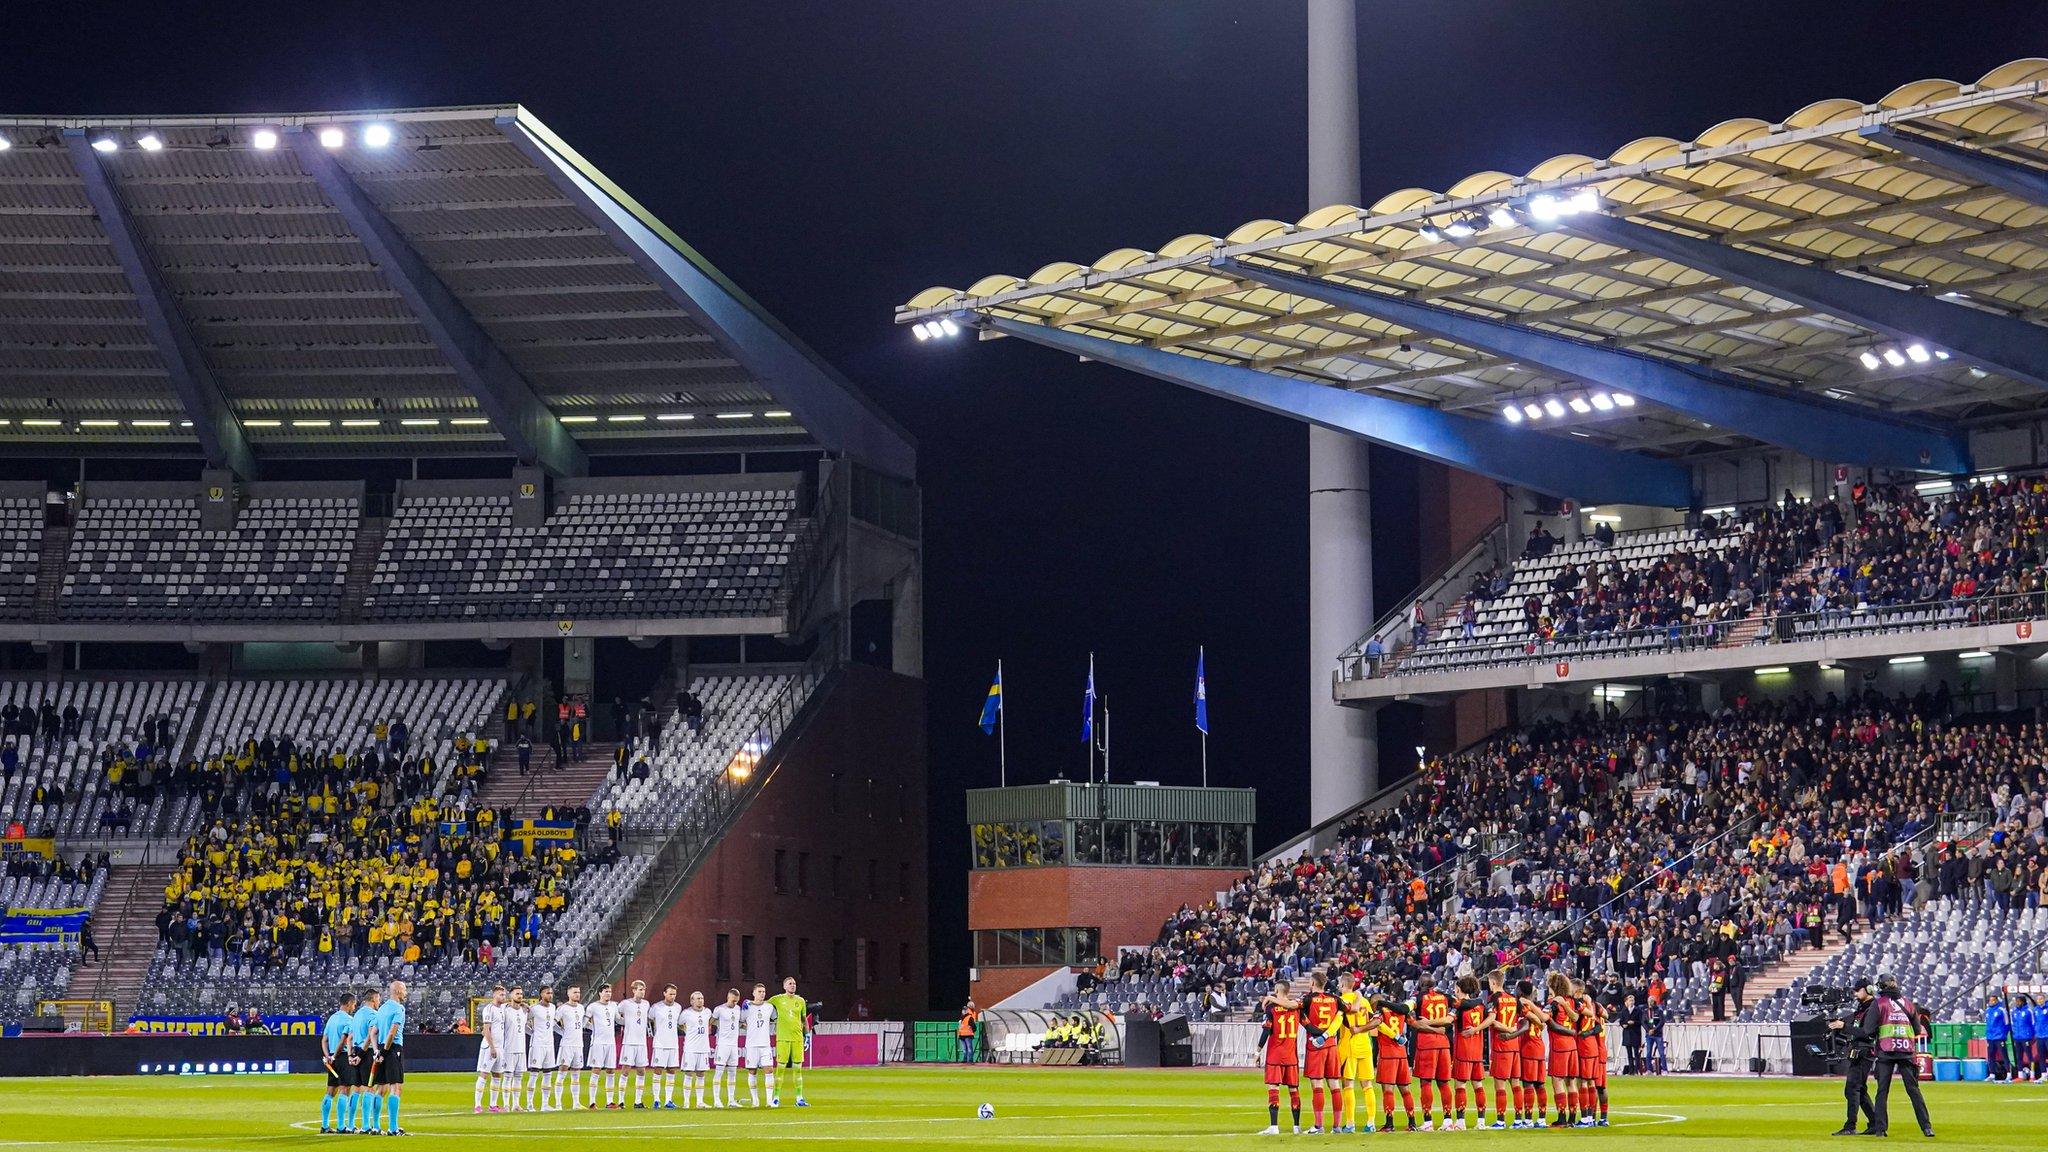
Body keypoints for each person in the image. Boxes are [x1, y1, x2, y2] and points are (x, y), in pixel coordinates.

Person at [1864, 975, 1934, 1138]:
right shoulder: (1908, 1004)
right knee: (1914, 1091)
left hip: (1885, 1052)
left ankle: (1881, 1129)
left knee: (1882, 1092)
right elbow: (1917, 1030)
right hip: (1906, 1052)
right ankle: (1926, 1127)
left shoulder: (1879, 1004)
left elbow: (1868, 1030)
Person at [1829, 978, 1878, 1136]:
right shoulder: (1863, 1007)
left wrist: (1844, 1026)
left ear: (1868, 990)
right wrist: (1841, 1024)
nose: (1856, 994)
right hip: (1859, 1050)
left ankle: (1850, 1126)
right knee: (1860, 1089)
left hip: (1864, 1051)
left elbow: (1866, 1032)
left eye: (1858, 990)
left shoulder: (1872, 1008)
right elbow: (1856, 1026)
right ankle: (1875, 1123)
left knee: (1852, 1088)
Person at [1299, 969, 1345, 1133]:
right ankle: (1337, 1126)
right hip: (1331, 1045)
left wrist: (1317, 1033)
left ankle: (1318, 1126)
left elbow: (1301, 1017)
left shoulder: (1307, 999)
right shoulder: (1335, 999)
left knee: (1317, 1085)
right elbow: (1348, 1009)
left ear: (1312, 983)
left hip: (1315, 1045)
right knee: (1334, 1085)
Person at [1256, 979, 1303, 1135]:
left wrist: (1257, 1051)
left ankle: (1274, 1126)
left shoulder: (1271, 1008)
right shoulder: (1297, 1007)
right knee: (1294, 1090)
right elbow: (1309, 1026)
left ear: (1276, 991)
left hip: (1275, 1055)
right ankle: (1296, 1127)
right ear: (1288, 991)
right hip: (1291, 1056)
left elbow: (1266, 1031)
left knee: (1274, 1089)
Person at [1336, 971, 1378, 1133]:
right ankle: (1371, 1122)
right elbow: (1374, 1020)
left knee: (1348, 1085)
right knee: (1367, 1085)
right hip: (1365, 1045)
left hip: (1349, 1046)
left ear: (1342, 985)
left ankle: (1350, 1123)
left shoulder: (1342, 1001)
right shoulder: (1365, 1002)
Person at [1412, 979, 1454, 1130]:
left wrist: (1427, 1023)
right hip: (1443, 1042)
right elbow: (1458, 1008)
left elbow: (1413, 1020)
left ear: (1421, 985)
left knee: (1426, 1082)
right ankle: (1448, 1121)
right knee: (1443, 1083)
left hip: (1426, 1043)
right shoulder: (1445, 997)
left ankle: (1428, 1122)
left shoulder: (1418, 997)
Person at [1450, 975, 1490, 1131]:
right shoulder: (1480, 1005)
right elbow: (1490, 1018)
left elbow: (1449, 1020)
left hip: (1463, 1050)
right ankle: (1481, 1121)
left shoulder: (1459, 1006)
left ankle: (1460, 1122)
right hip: (1477, 1051)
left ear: (1459, 988)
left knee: (1460, 1086)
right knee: (1478, 1085)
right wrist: (1477, 1029)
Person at [1375, 994, 1419, 1132]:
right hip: (1401, 1054)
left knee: (1388, 1091)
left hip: (1388, 1054)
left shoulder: (1381, 1011)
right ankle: (1412, 1123)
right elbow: (1412, 1021)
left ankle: (1389, 1124)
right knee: (1405, 1090)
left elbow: (1379, 1025)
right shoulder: (1402, 1011)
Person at [768, 975, 812, 1107]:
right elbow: (762, 1005)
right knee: (780, 1069)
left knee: (797, 1069)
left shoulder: (801, 1001)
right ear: (784, 986)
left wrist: (807, 1035)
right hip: (783, 1039)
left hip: (797, 1039)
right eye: (790, 983)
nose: (793, 985)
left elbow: (804, 1020)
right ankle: (775, 1098)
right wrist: (750, 1002)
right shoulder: (777, 999)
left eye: (794, 983)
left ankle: (799, 1098)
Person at [371, 979, 408, 1136]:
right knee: (395, 1087)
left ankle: (375, 1126)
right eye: (404, 990)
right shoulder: (398, 1008)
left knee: (380, 1088)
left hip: (380, 1049)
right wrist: (385, 1052)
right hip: (392, 1050)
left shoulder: (382, 1008)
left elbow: (373, 1033)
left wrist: (377, 1052)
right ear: (398, 991)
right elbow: (392, 1032)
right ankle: (393, 1128)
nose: (406, 993)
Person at [320, 992, 359, 1134]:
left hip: (331, 1058)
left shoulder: (332, 1018)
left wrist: (328, 1057)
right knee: (345, 1089)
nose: (354, 1007)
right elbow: (344, 1041)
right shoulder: (349, 1020)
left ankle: (324, 1125)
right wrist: (335, 1056)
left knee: (330, 1090)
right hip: (342, 1057)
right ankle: (342, 1126)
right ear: (348, 1003)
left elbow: (324, 1040)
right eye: (354, 1004)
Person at [586, 983, 620, 1109]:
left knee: (610, 1071)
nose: (608, 994)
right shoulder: (592, 1007)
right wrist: (594, 1028)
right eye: (606, 991)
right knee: (596, 1070)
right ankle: (592, 1102)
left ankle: (609, 1101)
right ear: (600, 993)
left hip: (610, 1042)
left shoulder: (613, 1006)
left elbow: (619, 1020)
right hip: (598, 1043)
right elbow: (585, 1022)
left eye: (610, 991)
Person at [474, 984, 507, 1114]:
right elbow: (486, 1029)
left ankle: (493, 1105)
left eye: (504, 994)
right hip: (489, 1046)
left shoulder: (502, 1008)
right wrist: (492, 1047)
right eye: (500, 994)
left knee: (497, 1075)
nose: (503, 997)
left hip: (500, 1047)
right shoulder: (489, 1009)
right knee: (484, 1074)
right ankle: (477, 1105)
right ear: (494, 995)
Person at [619, 979, 652, 1108]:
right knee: (625, 1070)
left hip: (641, 1043)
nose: (642, 992)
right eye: (640, 989)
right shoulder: (625, 1004)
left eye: (644, 989)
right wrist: (624, 1022)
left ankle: (638, 1102)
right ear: (634, 990)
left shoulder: (646, 1004)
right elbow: (616, 1014)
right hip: (629, 1042)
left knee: (641, 1071)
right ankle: (621, 1101)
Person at [744, 983, 778, 1106]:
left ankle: (769, 1101)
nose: (762, 994)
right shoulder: (747, 1007)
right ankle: (755, 1100)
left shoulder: (769, 1007)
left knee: (769, 1070)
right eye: (759, 991)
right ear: (753, 993)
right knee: (752, 1071)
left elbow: (775, 1019)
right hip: (751, 1044)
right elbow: (741, 1020)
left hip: (765, 1044)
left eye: (763, 991)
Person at [649, 984, 683, 1109]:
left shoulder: (678, 1007)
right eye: (670, 994)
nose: (672, 996)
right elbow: (650, 1019)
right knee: (658, 1070)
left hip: (673, 1044)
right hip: (660, 1043)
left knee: (671, 1071)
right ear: (664, 993)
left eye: (674, 994)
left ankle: (668, 1100)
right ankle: (656, 1100)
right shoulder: (656, 1007)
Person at [526, 985, 558, 1112]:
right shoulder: (534, 1009)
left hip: (549, 1044)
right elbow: (523, 1022)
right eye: (547, 993)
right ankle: (529, 1104)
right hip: (537, 1045)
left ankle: (545, 1104)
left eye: (551, 993)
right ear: (541, 994)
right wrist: (532, 1033)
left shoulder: (553, 1007)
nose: (550, 995)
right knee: (534, 1074)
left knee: (548, 1074)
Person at [556, 985, 588, 1110]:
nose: (577, 994)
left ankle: (576, 1103)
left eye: (579, 992)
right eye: (575, 992)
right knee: (563, 1070)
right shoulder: (563, 1008)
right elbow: (553, 1023)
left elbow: (582, 1024)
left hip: (578, 1045)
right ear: (568, 994)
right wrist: (562, 1032)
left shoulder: (581, 1008)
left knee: (576, 1073)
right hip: (567, 1044)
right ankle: (558, 1104)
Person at [680, 990, 714, 1108]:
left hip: (703, 1048)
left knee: (701, 1074)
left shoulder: (708, 1012)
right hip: (690, 1048)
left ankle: (700, 1102)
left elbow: (711, 1022)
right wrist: (686, 1030)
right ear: (692, 1001)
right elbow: (679, 1023)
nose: (700, 1000)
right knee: (688, 1074)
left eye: (702, 998)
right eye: (698, 998)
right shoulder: (686, 1013)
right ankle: (686, 1102)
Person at [712, 988, 745, 1107]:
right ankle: (716, 1100)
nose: (735, 1003)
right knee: (719, 1072)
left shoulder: (738, 1009)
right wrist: (719, 1025)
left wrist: (745, 1026)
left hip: (734, 1045)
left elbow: (738, 1023)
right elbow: (711, 1021)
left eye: (736, 1001)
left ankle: (731, 1100)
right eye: (733, 1001)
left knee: (732, 1073)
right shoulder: (719, 1009)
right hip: (723, 1044)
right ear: (728, 997)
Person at [1987, 989, 2014, 1082]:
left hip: (1999, 1037)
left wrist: (2003, 1034)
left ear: (1997, 1001)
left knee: (2004, 1056)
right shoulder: (1987, 1011)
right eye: (1990, 1000)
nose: (1991, 1002)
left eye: (1993, 1000)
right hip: (1990, 1037)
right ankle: (1992, 1074)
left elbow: (2007, 1024)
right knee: (1991, 1056)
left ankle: (2009, 1074)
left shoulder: (2001, 1010)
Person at [2014, 992, 2040, 1082]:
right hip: (2017, 1037)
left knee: (2030, 1057)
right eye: (2016, 1001)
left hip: (2026, 1037)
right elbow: (2013, 1024)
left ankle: (2032, 1076)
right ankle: (2020, 1075)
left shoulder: (2028, 1011)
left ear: (2023, 1002)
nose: (2017, 1003)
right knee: (2019, 1057)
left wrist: (2032, 1036)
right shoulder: (2014, 1011)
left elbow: (2033, 1023)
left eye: (2018, 1001)